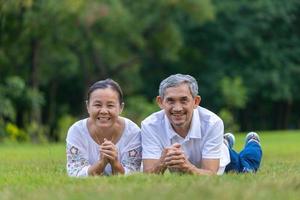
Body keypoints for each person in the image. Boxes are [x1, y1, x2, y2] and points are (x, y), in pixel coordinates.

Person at [141, 74, 262, 175]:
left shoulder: (212, 123)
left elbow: (210, 173)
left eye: (184, 100)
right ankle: (223, 142)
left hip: (223, 162)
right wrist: (162, 162)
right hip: (206, 150)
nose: (177, 108)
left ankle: (253, 142)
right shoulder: (150, 125)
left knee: (248, 166)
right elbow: (148, 175)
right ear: (160, 102)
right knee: (215, 145)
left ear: (195, 102)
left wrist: (187, 167)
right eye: (170, 100)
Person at [66, 79, 142, 177]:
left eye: (110, 105)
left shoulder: (133, 132)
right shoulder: (77, 131)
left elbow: (134, 174)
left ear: (121, 108)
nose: (103, 111)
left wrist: (115, 163)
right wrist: (101, 164)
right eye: (97, 105)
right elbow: (74, 173)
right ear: (87, 106)